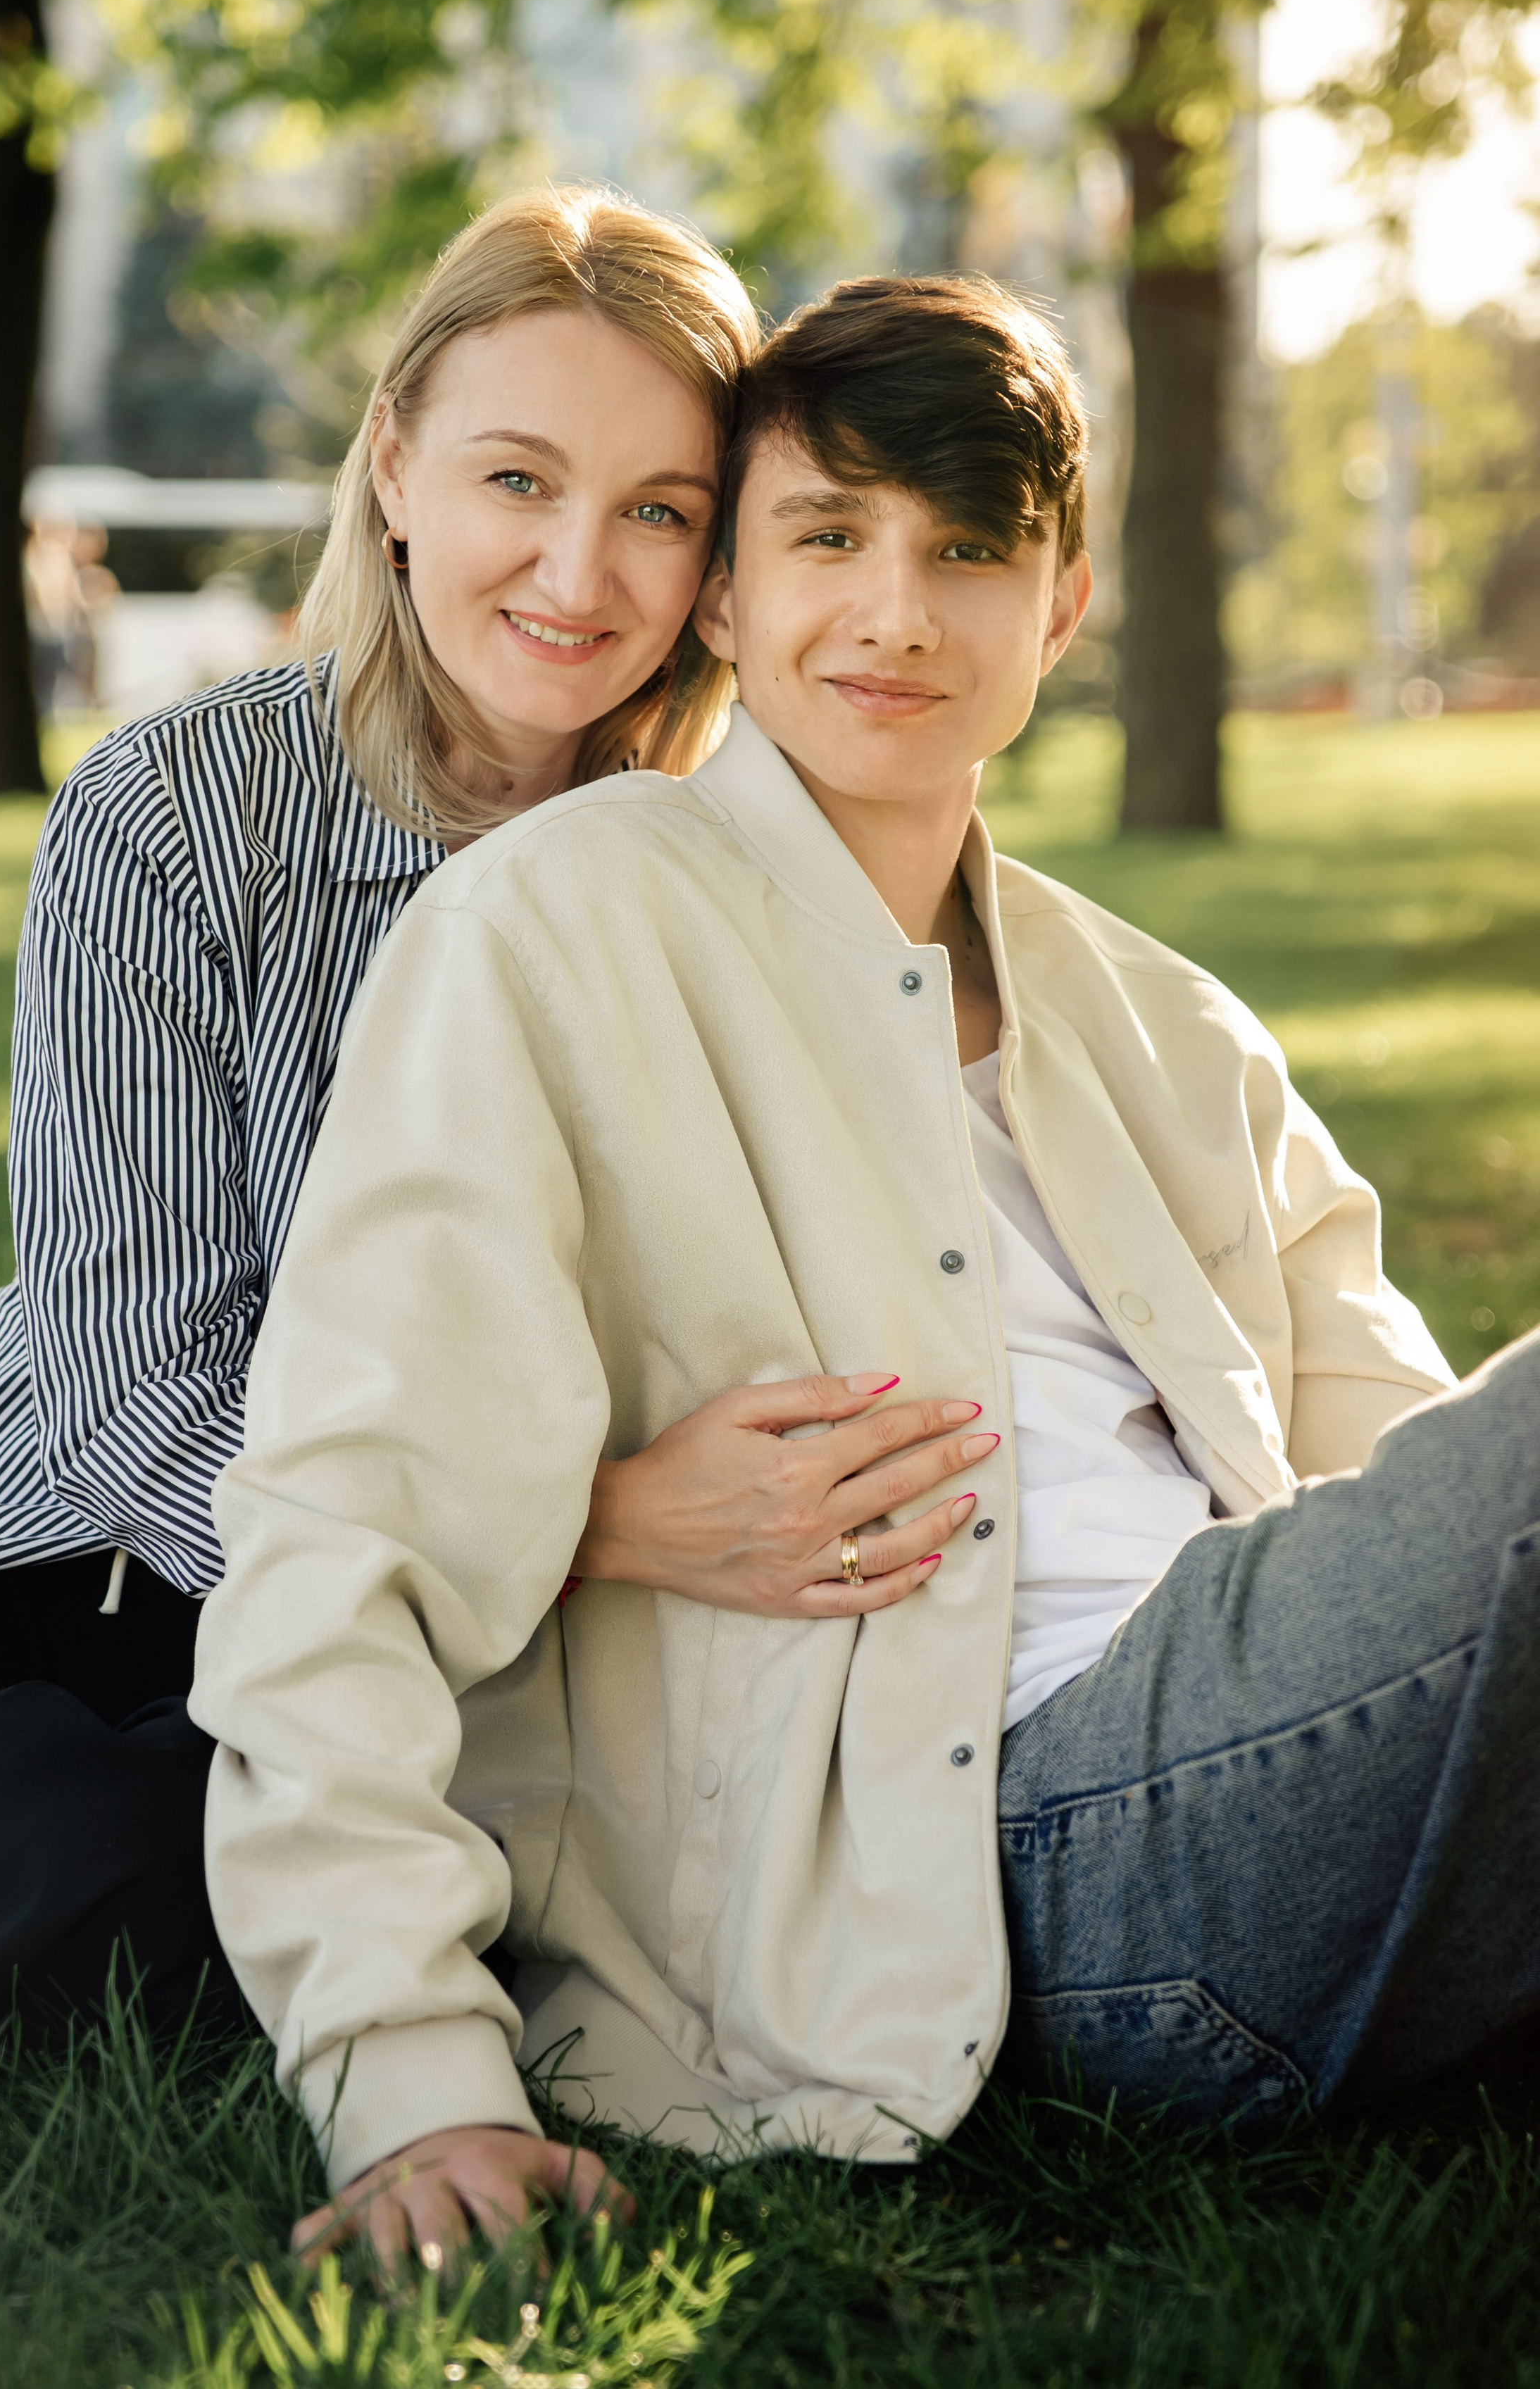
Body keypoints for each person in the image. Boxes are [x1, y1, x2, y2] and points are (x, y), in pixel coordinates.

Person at [189, 270, 1484, 2274]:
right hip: (1006, 1868)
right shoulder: (542, 939)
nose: (895, 613)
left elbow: (1422, 1486)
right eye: (826, 536)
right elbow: (344, 1536)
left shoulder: (1168, 1024)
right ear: (721, 594)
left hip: (1307, 1776)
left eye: (970, 551)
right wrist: (412, 2077)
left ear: (1061, 607)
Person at [0, 191, 993, 2069]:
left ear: (721, 560)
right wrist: (602, 1530)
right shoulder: (177, 811)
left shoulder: (757, 863)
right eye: (516, 480)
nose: (578, 574)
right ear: (395, 463)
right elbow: (138, 1396)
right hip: (44, 1570)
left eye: (656, 509)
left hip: (477, 1653)